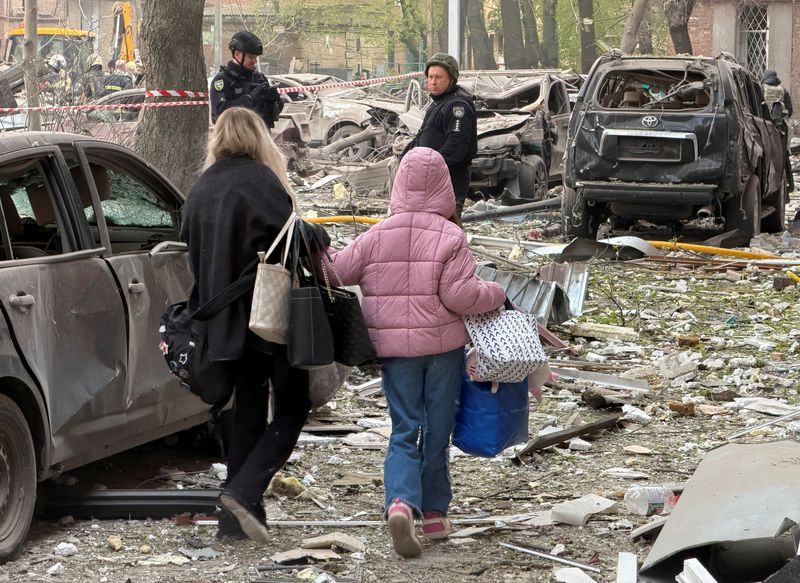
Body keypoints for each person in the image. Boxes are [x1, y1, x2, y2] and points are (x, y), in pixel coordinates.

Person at [319, 146, 505, 557]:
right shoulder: (451, 235)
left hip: (395, 353)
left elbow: (336, 272)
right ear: (444, 186)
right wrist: (496, 292)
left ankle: (401, 503)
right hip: (442, 350)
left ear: (398, 182)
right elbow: (460, 296)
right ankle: (435, 514)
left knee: (405, 429)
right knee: (437, 431)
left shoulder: (377, 234)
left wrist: (319, 247)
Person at [180, 106, 328, 542]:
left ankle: (236, 521)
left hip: (221, 321)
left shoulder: (202, 188)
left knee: (247, 408)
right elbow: (293, 238)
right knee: (293, 406)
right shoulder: (263, 182)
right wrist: (321, 236)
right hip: (268, 316)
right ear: (257, 138)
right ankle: (243, 493)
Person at [404, 53, 477, 223]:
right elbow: (424, 136)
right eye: (430, 77)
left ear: (451, 79)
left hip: (449, 182)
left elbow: (456, 145)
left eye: (438, 77)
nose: (433, 82)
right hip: (430, 182)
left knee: (447, 232)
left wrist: (429, 167)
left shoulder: (457, 106)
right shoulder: (439, 103)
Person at [209, 31, 283, 129]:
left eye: (256, 57)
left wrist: (274, 100)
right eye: (251, 57)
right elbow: (218, 116)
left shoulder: (259, 78)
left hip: (261, 139)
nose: (254, 61)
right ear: (237, 54)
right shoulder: (223, 80)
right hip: (236, 141)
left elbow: (274, 113)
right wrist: (249, 99)